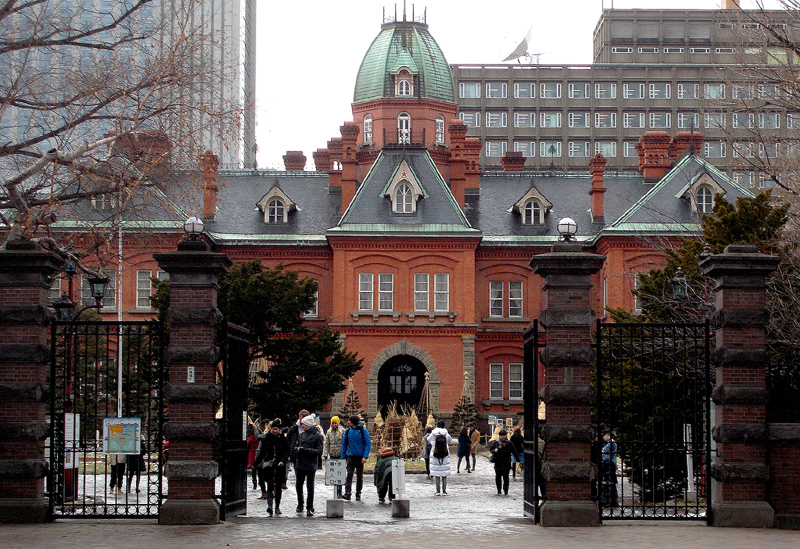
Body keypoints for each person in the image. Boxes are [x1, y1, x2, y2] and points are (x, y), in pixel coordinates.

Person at [253, 418, 289, 516]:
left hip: (280, 465)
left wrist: (283, 461)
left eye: (276, 429)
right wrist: (255, 463)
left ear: (279, 430)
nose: (275, 431)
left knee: (278, 486)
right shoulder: (266, 438)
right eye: (273, 429)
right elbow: (262, 453)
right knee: (269, 485)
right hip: (269, 465)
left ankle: (277, 506)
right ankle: (270, 506)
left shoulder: (283, 439)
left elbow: (287, 452)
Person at [295, 413, 323, 516]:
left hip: (311, 464)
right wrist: (297, 449)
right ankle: (300, 503)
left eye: (304, 424)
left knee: (310, 486)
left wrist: (307, 450)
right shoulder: (301, 435)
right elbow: (295, 445)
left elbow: (319, 451)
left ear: (309, 425)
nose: (302, 426)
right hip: (300, 463)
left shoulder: (318, 436)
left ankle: (309, 506)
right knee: (298, 485)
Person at [340, 414, 371, 501]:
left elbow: (368, 444)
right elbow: (344, 444)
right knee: (349, 475)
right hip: (350, 456)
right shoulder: (348, 431)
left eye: (349, 420)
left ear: (353, 422)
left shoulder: (363, 431)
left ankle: (358, 492)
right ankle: (347, 492)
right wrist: (343, 457)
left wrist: (365, 456)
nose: (348, 422)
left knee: (359, 476)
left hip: (360, 457)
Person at [427, 420, 452, 495]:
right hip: (445, 455)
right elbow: (450, 440)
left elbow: (428, 439)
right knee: (444, 474)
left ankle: (438, 491)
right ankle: (444, 491)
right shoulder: (446, 434)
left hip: (435, 454)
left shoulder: (433, 433)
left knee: (437, 474)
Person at [286, 409, 309, 490]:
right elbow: (288, 438)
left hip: (307, 454)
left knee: (309, 479)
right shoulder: (294, 428)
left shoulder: (310, 428)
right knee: (298, 478)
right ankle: (299, 492)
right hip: (297, 454)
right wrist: (291, 449)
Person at [323, 416, 345, 498]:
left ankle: (339, 490)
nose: (334, 425)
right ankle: (335, 489)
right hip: (332, 454)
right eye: (333, 423)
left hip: (340, 454)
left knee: (339, 473)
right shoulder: (329, 432)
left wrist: (345, 454)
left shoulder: (342, 431)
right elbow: (326, 443)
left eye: (335, 423)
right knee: (333, 473)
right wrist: (325, 454)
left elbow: (345, 442)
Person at [489, 429, 514, 495]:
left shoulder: (509, 443)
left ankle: (506, 490)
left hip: (506, 462)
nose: (502, 437)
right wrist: (495, 450)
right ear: (499, 436)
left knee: (506, 477)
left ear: (506, 435)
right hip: (498, 462)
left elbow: (514, 451)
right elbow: (491, 450)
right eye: (501, 436)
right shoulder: (496, 443)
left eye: (504, 435)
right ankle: (499, 489)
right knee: (498, 477)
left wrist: (517, 459)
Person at [601, 431, 619, 507]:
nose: (604, 437)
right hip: (607, 464)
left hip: (609, 464)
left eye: (605, 436)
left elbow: (605, 451)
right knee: (607, 482)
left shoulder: (611, 443)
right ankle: (609, 498)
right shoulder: (608, 443)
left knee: (610, 482)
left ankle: (613, 499)